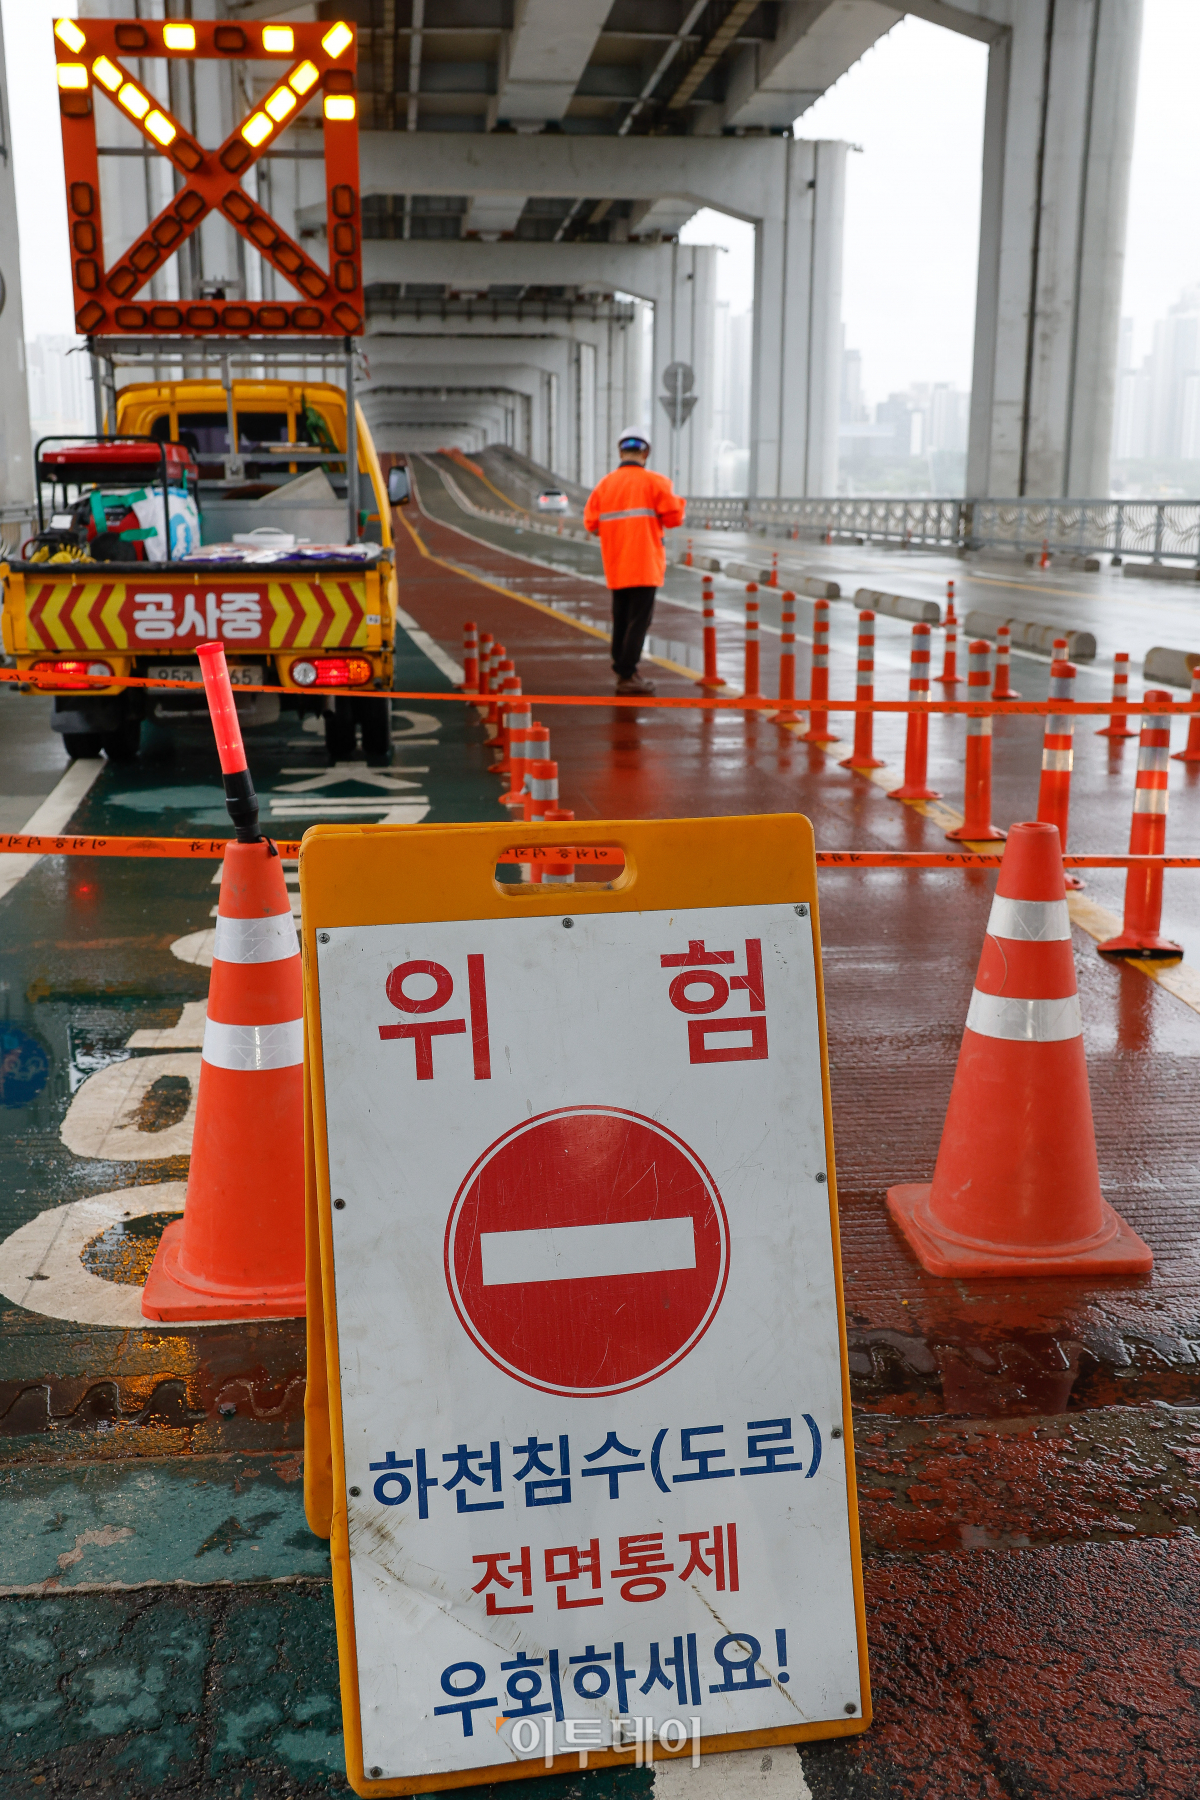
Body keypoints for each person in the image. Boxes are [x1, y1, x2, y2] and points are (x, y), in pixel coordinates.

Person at [583, 427, 686, 696]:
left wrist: (615, 533)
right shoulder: (657, 483)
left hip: (616, 562)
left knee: (621, 618)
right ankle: (627, 673)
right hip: (645, 563)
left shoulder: (605, 485)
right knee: (639, 620)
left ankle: (623, 669)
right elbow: (674, 519)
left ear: (620, 452)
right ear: (646, 453)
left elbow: (590, 523)